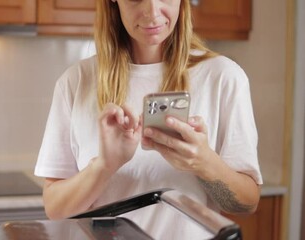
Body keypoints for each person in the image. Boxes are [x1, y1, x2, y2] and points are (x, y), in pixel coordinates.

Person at [35, 0, 263, 239]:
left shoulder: (223, 77)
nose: (153, 12)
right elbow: (55, 210)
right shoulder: (75, 82)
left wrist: (203, 162)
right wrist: (105, 166)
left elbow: (246, 205)